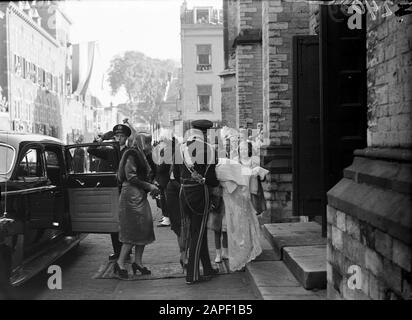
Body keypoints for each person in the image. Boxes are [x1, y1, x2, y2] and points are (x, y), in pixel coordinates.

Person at [175, 119, 220, 285]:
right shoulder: (208, 149)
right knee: (198, 233)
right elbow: (212, 178)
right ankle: (192, 274)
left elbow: (175, 172)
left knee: (196, 232)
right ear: (206, 132)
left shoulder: (180, 147)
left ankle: (207, 268)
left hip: (183, 192)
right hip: (199, 193)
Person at [114, 135, 159, 279]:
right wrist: (149, 186)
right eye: (148, 143)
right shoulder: (132, 154)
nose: (150, 146)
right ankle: (120, 263)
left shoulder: (141, 154)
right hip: (131, 197)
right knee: (132, 231)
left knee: (144, 229)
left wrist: (150, 187)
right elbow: (131, 177)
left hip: (139, 195)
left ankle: (138, 262)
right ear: (141, 142)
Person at [87, 124, 131, 261]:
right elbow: (90, 149)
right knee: (113, 221)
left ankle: (127, 251)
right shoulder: (109, 151)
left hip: (126, 190)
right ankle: (117, 251)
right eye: (116, 136)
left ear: (126, 138)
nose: (119, 139)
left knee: (126, 222)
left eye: (122, 136)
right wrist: (101, 139)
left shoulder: (130, 151)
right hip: (112, 191)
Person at [207, 185, 228, 263]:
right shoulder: (214, 186)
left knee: (226, 232)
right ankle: (218, 254)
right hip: (217, 208)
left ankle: (225, 252)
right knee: (217, 232)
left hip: (226, 207)